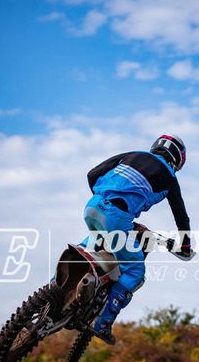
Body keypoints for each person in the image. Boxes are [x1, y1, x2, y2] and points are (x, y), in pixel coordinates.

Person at [82, 133, 192, 344]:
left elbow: (92, 174)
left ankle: (55, 288)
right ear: (178, 160)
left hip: (92, 206)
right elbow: (181, 216)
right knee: (135, 271)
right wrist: (185, 246)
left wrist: (101, 199)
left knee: (85, 251)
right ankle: (102, 323)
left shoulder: (132, 154)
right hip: (116, 217)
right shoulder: (169, 177)